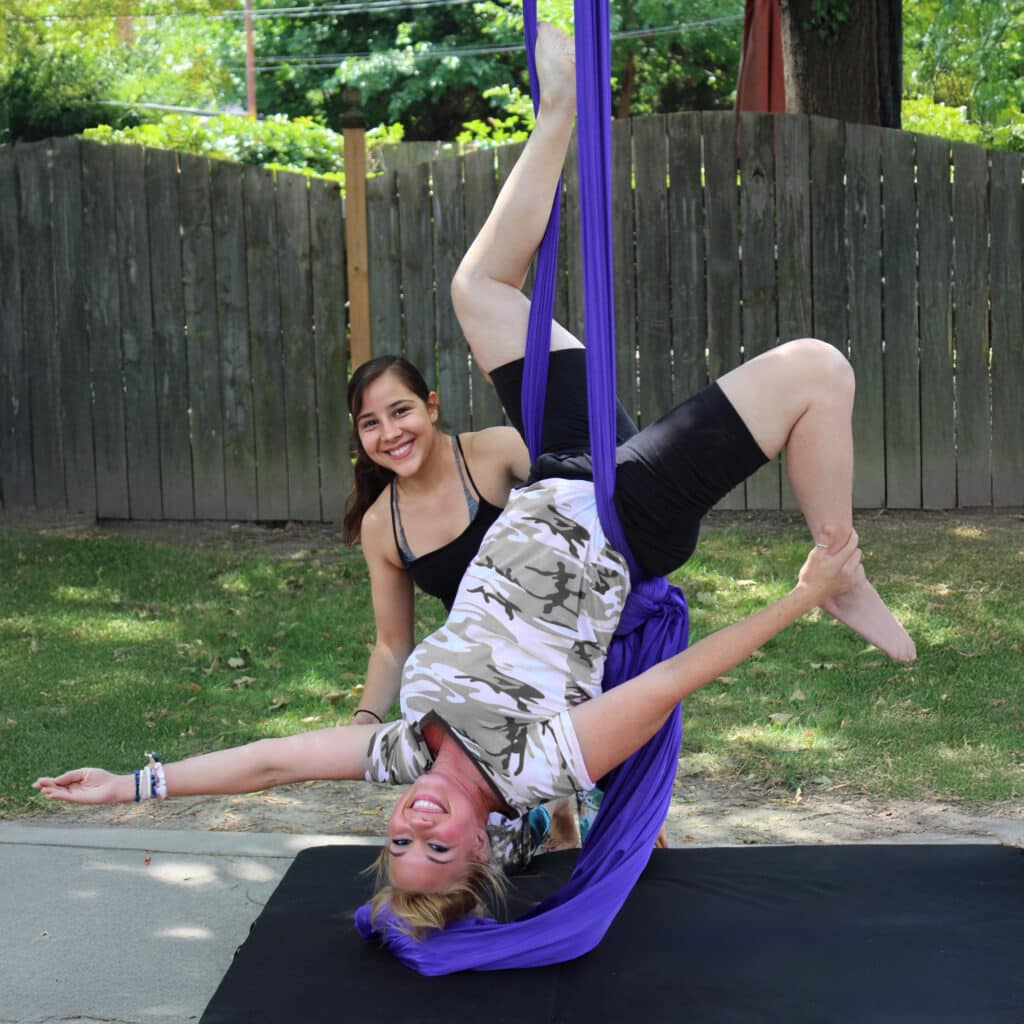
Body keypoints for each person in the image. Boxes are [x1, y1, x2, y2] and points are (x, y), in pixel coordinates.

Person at [34, 22, 914, 938]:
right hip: (621, 522)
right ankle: (841, 566)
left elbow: (269, 763)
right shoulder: (533, 769)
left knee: (478, 291)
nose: (416, 824)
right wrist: (802, 598)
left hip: (560, 475)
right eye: (438, 847)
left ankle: (562, 111)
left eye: (399, 843)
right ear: (483, 848)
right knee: (817, 370)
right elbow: (665, 688)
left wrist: (132, 786)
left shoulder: (401, 749)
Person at [341, 355, 529, 727]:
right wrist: (364, 718)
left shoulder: (498, 453)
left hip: (573, 642)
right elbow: (392, 646)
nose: (389, 433)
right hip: (491, 686)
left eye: (400, 411)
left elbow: (583, 496)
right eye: (370, 423)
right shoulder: (381, 524)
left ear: (431, 407)